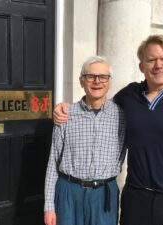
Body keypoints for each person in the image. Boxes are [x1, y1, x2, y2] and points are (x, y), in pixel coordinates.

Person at [53, 35, 163, 225]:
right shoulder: (129, 95)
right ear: (142, 66)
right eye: (151, 60)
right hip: (135, 200)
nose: (158, 65)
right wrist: (67, 108)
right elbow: (97, 108)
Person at [44, 56, 126, 225]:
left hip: (104, 193)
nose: (97, 81)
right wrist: (49, 206)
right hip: (69, 192)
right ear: (82, 81)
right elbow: (53, 162)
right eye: (90, 76)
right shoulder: (66, 115)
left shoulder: (122, 116)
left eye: (103, 77)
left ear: (109, 82)